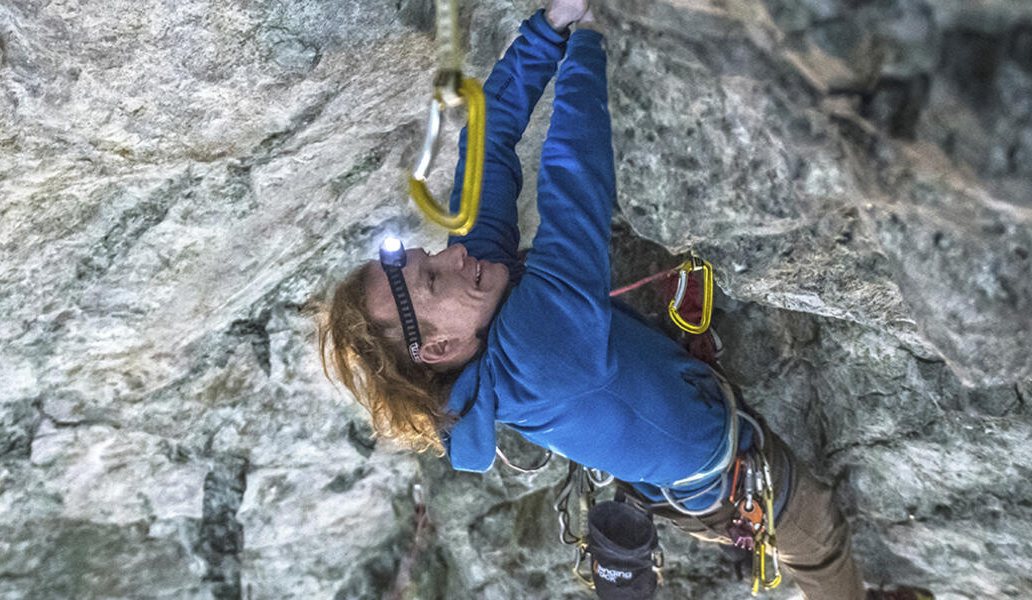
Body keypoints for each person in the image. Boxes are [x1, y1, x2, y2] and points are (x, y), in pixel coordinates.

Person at [317, 2, 885, 598]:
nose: (452, 253)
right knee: (818, 538)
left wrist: (549, 27)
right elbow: (574, 184)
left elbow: (488, 141)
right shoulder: (537, 355)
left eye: (425, 256)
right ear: (438, 345)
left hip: (679, 429)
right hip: (724, 472)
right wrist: (588, 39)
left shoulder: (474, 288)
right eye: (432, 280)